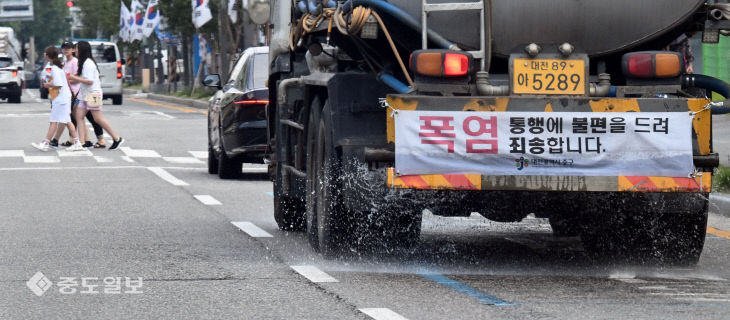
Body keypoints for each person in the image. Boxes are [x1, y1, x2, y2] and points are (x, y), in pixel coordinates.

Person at [67, 41, 124, 150]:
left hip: (92, 94)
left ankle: (117, 138)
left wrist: (74, 78)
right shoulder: (83, 62)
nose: (75, 50)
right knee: (78, 116)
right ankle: (81, 143)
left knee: (98, 119)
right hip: (85, 94)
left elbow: (89, 81)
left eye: (77, 48)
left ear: (82, 49)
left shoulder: (88, 63)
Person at [50, 41, 107, 149]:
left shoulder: (80, 62)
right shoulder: (69, 62)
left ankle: (111, 139)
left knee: (92, 118)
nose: (67, 50)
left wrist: (69, 80)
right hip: (80, 93)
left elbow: (86, 80)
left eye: (71, 48)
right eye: (64, 48)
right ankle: (83, 141)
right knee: (79, 117)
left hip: (80, 93)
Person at [31, 46, 85, 152]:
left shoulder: (55, 68)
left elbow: (58, 83)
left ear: (47, 56)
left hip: (61, 99)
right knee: (67, 121)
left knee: (54, 121)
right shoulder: (56, 67)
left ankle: (46, 142)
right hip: (63, 98)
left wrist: (47, 84)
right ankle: (77, 142)